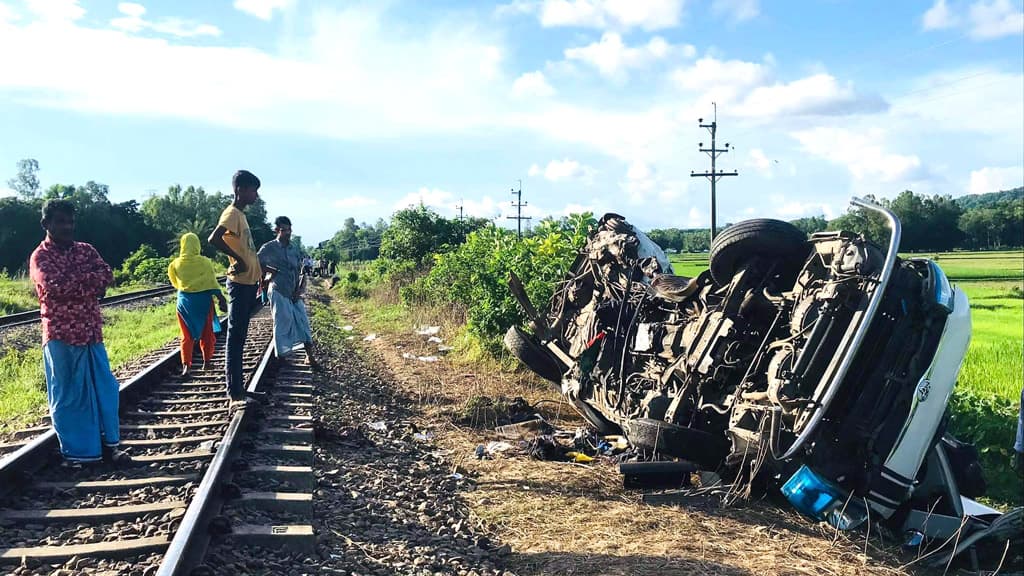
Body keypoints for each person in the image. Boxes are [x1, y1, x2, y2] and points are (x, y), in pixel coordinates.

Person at [29, 200, 130, 467]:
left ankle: (110, 447)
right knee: (68, 395)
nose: (67, 226)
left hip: (91, 332)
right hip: (61, 335)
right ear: (46, 224)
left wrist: (82, 283)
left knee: (104, 390)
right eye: (60, 221)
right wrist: (89, 283)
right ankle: (78, 454)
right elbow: (54, 286)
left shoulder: (85, 250)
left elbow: (106, 274)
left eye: (70, 221)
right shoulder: (40, 257)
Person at [209, 170, 263, 405]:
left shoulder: (240, 215)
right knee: (236, 336)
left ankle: (239, 388)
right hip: (239, 284)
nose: (256, 195)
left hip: (248, 283)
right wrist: (238, 261)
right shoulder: (232, 213)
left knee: (240, 336)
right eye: (253, 190)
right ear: (240, 189)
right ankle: (234, 391)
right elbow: (214, 238)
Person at [258, 216, 317, 367]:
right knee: (282, 324)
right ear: (276, 230)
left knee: (303, 322)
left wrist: (299, 290)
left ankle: (309, 356)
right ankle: (282, 358)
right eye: (284, 230)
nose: (287, 233)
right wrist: (271, 271)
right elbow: (256, 262)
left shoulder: (294, 249)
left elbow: (301, 271)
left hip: (294, 291)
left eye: (289, 229)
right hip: (278, 289)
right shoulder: (269, 248)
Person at [167, 233, 228, 376]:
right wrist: (221, 299)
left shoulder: (175, 264)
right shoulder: (205, 262)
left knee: (186, 336)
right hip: (203, 303)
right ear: (197, 245)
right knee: (207, 334)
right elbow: (212, 283)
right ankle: (206, 363)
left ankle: (186, 366)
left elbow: (174, 282)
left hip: (184, 303)